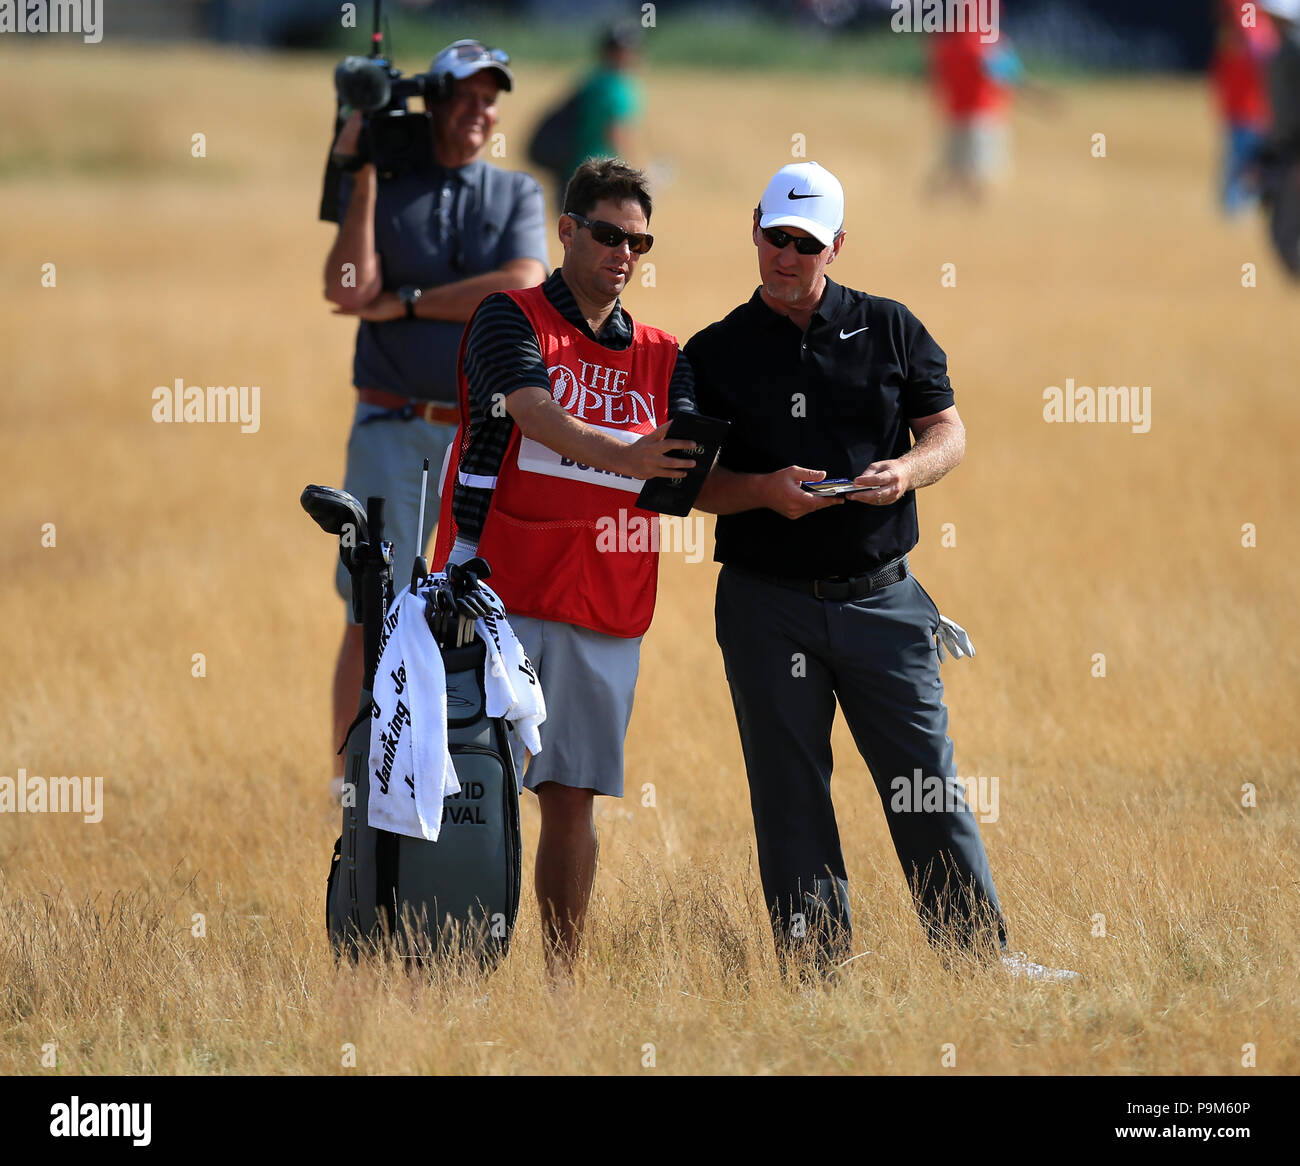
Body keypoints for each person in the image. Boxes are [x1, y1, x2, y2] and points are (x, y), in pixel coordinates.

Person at [688, 161, 1078, 982]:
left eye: (804, 244)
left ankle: (977, 962)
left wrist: (907, 472)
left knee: (925, 783)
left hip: (884, 602)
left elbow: (948, 432)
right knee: (789, 794)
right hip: (766, 606)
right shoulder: (714, 352)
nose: (785, 256)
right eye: (773, 237)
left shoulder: (892, 328)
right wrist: (762, 491)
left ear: (837, 246)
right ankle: (816, 974)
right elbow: (682, 485)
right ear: (753, 228)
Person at [430, 158, 698, 975]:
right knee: (472, 794)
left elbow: (686, 472)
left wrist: (780, 491)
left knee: (572, 800)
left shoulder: (664, 354)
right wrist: (633, 455)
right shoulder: (507, 317)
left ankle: (561, 986)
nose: (624, 253)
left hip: (606, 605)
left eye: (640, 242)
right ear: (569, 231)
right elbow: (538, 416)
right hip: (497, 596)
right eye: (610, 234)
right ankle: (445, 973)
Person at [323, 39, 549, 794]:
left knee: (486, 600)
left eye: (492, 99)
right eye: (466, 97)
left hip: (483, 432)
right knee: (372, 605)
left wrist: (413, 302)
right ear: (435, 102)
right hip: (392, 424)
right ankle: (356, 782)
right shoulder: (388, 183)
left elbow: (521, 282)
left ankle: (467, 774)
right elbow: (351, 286)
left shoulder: (514, 193)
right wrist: (359, 175)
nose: (481, 112)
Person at [560, 24, 645, 209]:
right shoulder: (618, 87)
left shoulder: (592, 79)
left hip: (574, 170)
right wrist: (637, 172)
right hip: (603, 175)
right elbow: (616, 132)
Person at [1210, 0, 1277, 214]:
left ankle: (1240, 210)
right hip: (1240, 112)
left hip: (1252, 113)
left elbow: (1258, 41)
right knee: (1239, 165)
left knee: (1247, 168)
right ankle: (1236, 209)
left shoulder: (1250, 19)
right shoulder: (1233, 40)